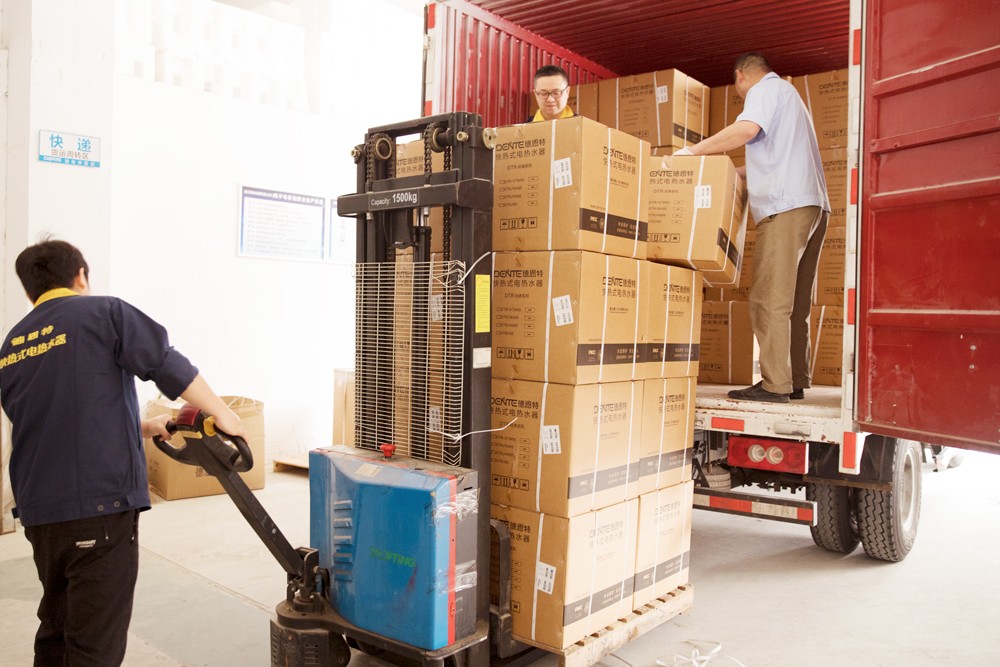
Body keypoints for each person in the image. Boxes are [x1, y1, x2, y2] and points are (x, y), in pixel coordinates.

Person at [0, 238, 246, 665]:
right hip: (99, 504)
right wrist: (225, 415)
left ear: (28, 290)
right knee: (94, 642)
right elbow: (164, 362)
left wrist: (146, 427)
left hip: (40, 512)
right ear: (81, 276)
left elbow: (56, 418)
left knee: (57, 628)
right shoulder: (104, 312)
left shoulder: (13, 345)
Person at [674, 52, 830, 403]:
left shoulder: (764, 89)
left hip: (785, 208)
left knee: (767, 299)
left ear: (740, 76)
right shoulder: (790, 98)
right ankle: (794, 379)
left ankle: (775, 385)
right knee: (795, 302)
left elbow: (746, 130)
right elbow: (765, 163)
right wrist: (725, 174)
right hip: (812, 207)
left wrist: (692, 154)